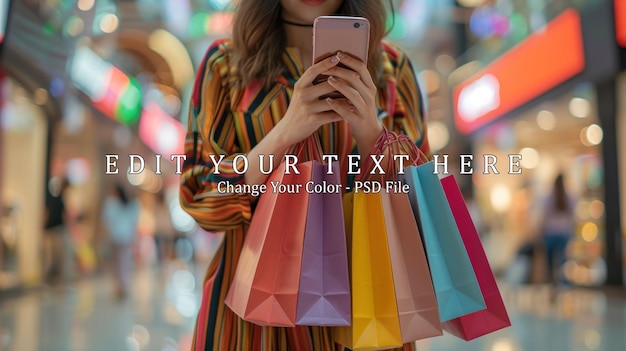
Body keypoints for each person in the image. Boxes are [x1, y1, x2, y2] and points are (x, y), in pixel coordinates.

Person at [179, 1, 431, 350]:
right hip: (256, 315)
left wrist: (372, 134)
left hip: (371, 307)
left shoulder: (391, 69)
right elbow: (199, 196)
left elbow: (423, 213)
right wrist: (285, 133)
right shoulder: (225, 63)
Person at [102, 182, 140, 300]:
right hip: (126, 237)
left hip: (115, 237)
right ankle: (122, 284)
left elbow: (106, 221)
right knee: (124, 261)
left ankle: (119, 286)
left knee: (116, 263)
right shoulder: (132, 205)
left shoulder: (111, 203)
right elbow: (134, 222)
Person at [539, 173, 575, 285]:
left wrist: (540, 232)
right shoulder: (568, 197)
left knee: (550, 261)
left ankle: (551, 282)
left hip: (550, 233)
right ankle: (564, 283)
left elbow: (544, 216)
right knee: (563, 261)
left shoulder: (549, 197)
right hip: (564, 232)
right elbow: (572, 216)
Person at [43, 177, 70, 284]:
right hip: (55, 230)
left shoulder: (56, 198)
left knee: (54, 257)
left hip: (52, 229)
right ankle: (47, 279)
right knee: (53, 257)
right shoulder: (57, 198)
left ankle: (53, 279)